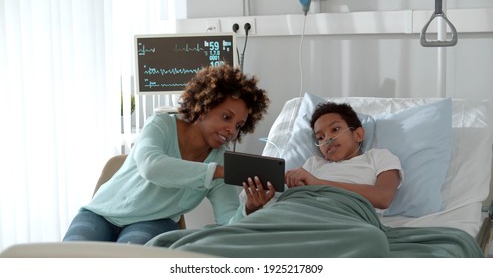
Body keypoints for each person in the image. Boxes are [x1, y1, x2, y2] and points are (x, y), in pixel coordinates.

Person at [63, 64, 275, 244]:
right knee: (69, 259)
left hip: (154, 221)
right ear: (204, 107)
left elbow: (227, 221)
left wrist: (248, 208)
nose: (232, 130)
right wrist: (218, 172)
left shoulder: (220, 160)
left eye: (239, 125)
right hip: (102, 212)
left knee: (129, 261)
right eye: (226, 117)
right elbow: (152, 166)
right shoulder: (161, 125)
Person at [284, 101, 403, 211]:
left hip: (352, 218)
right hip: (308, 214)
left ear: (358, 134)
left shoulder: (378, 157)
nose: (328, 139)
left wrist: (318, 184)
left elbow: (383, 197)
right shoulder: (314, 164)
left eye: (335, 129)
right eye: (320, 137)